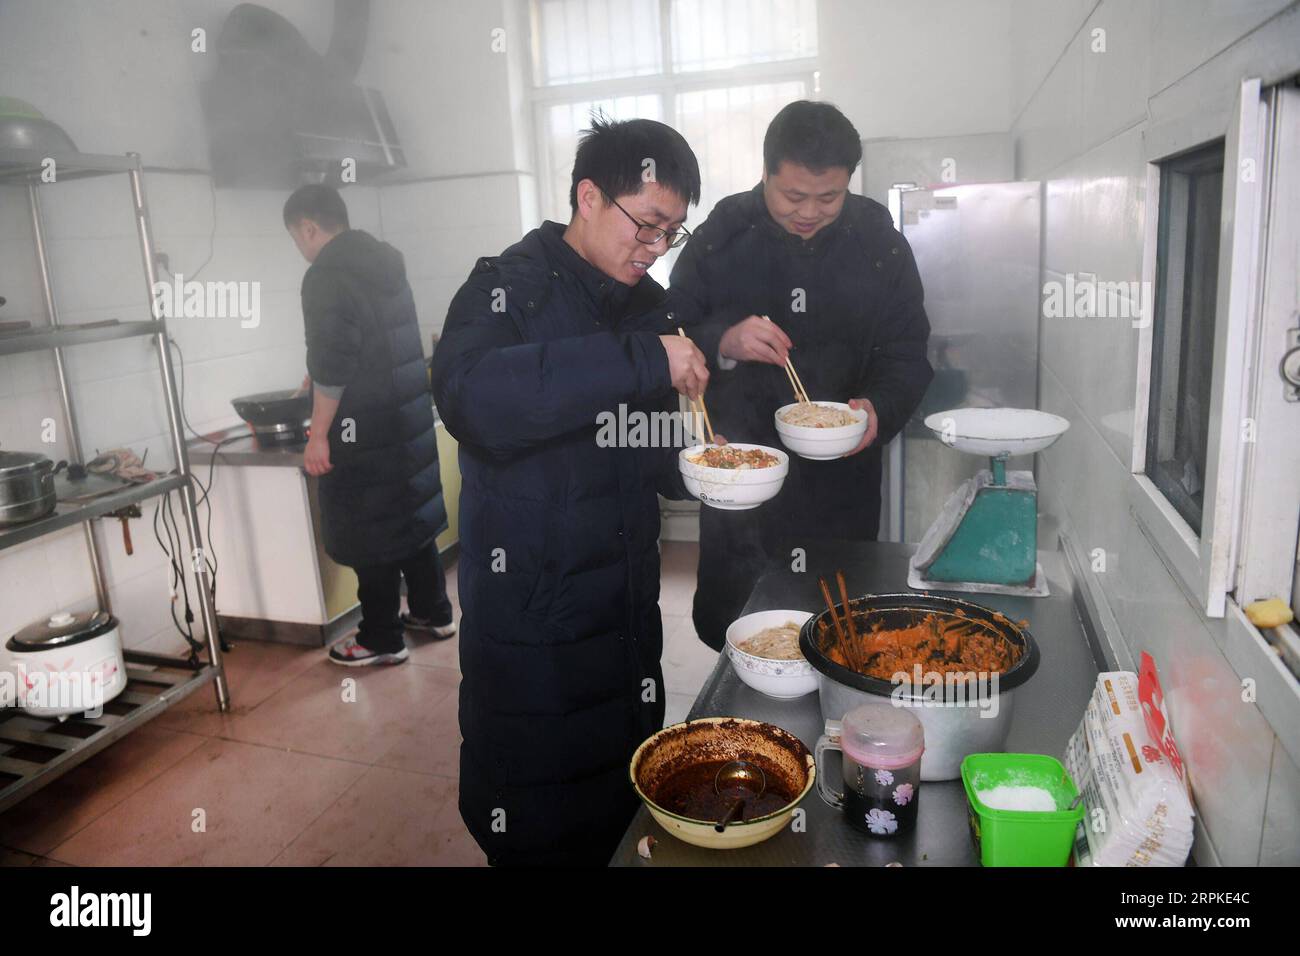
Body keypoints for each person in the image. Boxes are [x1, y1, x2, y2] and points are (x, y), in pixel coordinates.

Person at [431, 117, 708, 866]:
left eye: (671, 234)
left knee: (619, 809)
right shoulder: (505, 287)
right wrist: (641, 359)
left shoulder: (643, 303)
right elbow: (476, 401)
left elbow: (640, 446)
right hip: (533, 623)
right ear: (589, 196)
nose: (654, 249)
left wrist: (704, 467)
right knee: (536, 818)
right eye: (646, 225)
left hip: (621, 615)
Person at [671, 100, 934, 650]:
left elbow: (907, 352)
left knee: (838, 632)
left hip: (842, 485)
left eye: (829, 197)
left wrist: (877, 409)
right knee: (739, 632)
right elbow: (671, 327)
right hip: (743, 474)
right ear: (765, 173)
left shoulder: (878, 242)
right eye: (793, 196)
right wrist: (724, 339)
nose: (810, 212)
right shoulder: (723, 233)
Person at [283, 184, 453, 666]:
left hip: (361, 428)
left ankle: (382, 637)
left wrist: (317, 435)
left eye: (298, 237)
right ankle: (434, 612)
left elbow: (335, 363)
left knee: (369, 530)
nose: (301, 248)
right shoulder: (385, 263)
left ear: (309, 227)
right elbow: (361, 340)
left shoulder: (324, 276)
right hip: (403, 417)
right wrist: (318, 367)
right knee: (410, 518)